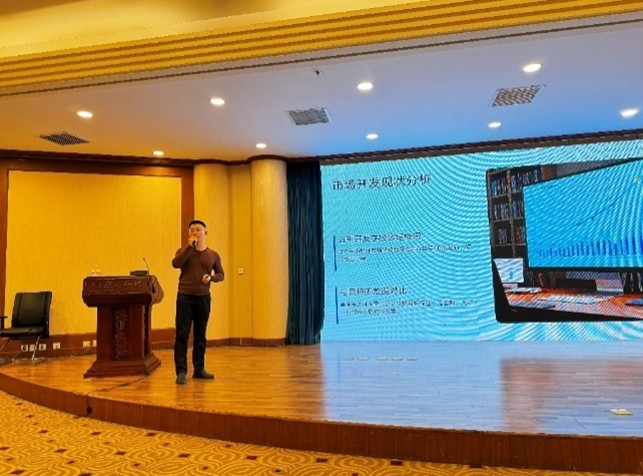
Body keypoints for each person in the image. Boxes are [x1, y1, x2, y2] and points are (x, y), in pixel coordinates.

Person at [172, 219, 225, 385]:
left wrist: (211, 278)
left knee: (200, 335)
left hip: (203, 297)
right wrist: (189, 248)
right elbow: (175, 264)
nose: (195, 232)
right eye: (192, 230)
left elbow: (221, 274)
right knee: (182, 335)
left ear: (205, 233)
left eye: (198, 230)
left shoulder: (213, 255)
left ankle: (199, 369)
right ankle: (181, 371)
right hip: (184, 297)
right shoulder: (183, 251)